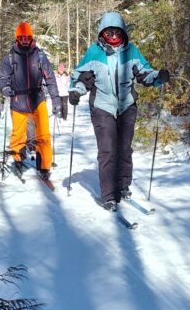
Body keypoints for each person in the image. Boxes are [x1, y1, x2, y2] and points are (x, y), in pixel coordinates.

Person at [68, 11, 168, 210]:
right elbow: (81, 77)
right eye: (109, 33)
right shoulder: (94, 53)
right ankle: (109, 194)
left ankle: (123, 185)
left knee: (124, 148)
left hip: (126, 106)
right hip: (102, 107)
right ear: (102, 34)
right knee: (107, 150)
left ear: (123, 33)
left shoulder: (131, 51)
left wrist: (158, 77)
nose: (113, 38)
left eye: (117, 33)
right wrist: (76, 92)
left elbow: (144, 73)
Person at [0, 21, 59, 179]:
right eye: (22, 38)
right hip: (18, 100)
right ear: (17, 39)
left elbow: (50, 79)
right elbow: (2, 79)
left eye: (27, 38)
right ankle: (18, 160)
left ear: (31, 38)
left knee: (43, 134)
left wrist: (56, 100)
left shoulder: (39, 56)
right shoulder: (9, 58)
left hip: (38, 99)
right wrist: (5, 89)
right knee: (18, 135)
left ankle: (44, 166)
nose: (25, 41)